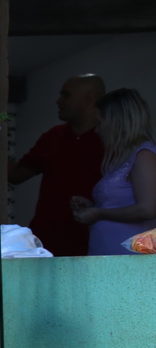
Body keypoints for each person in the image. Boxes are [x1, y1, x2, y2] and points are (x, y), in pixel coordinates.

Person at [8, 74, 106, 256]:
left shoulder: (110, 139)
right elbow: (16, 175)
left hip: (95, 243)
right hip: (48, 241)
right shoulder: (54, 136)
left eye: (66, 95)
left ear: (89, 97)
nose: (58, 101)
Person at [71, 88, 156, 256]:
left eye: (99, 123)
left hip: (130, 257)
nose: (97, 130)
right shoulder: (126, 157)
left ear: (116, 122)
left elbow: (148, 209)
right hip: (112, 253)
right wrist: (93, 207)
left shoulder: (144, 155)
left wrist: (98, 213)